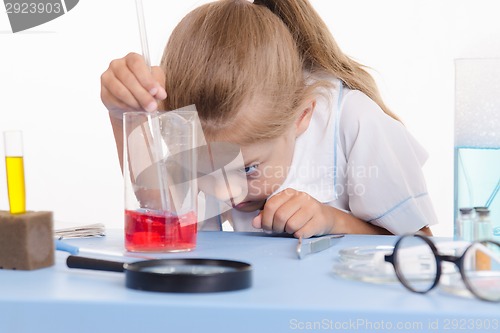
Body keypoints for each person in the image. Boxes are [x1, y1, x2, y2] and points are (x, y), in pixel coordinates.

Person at [101, 0, 437, 238]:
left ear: (302, 116)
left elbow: (419, 242)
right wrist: (122, 117)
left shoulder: (356, 122)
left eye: (248, 169)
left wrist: (332, 221)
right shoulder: (202, 128)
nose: (229, 194)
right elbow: (164, 213)